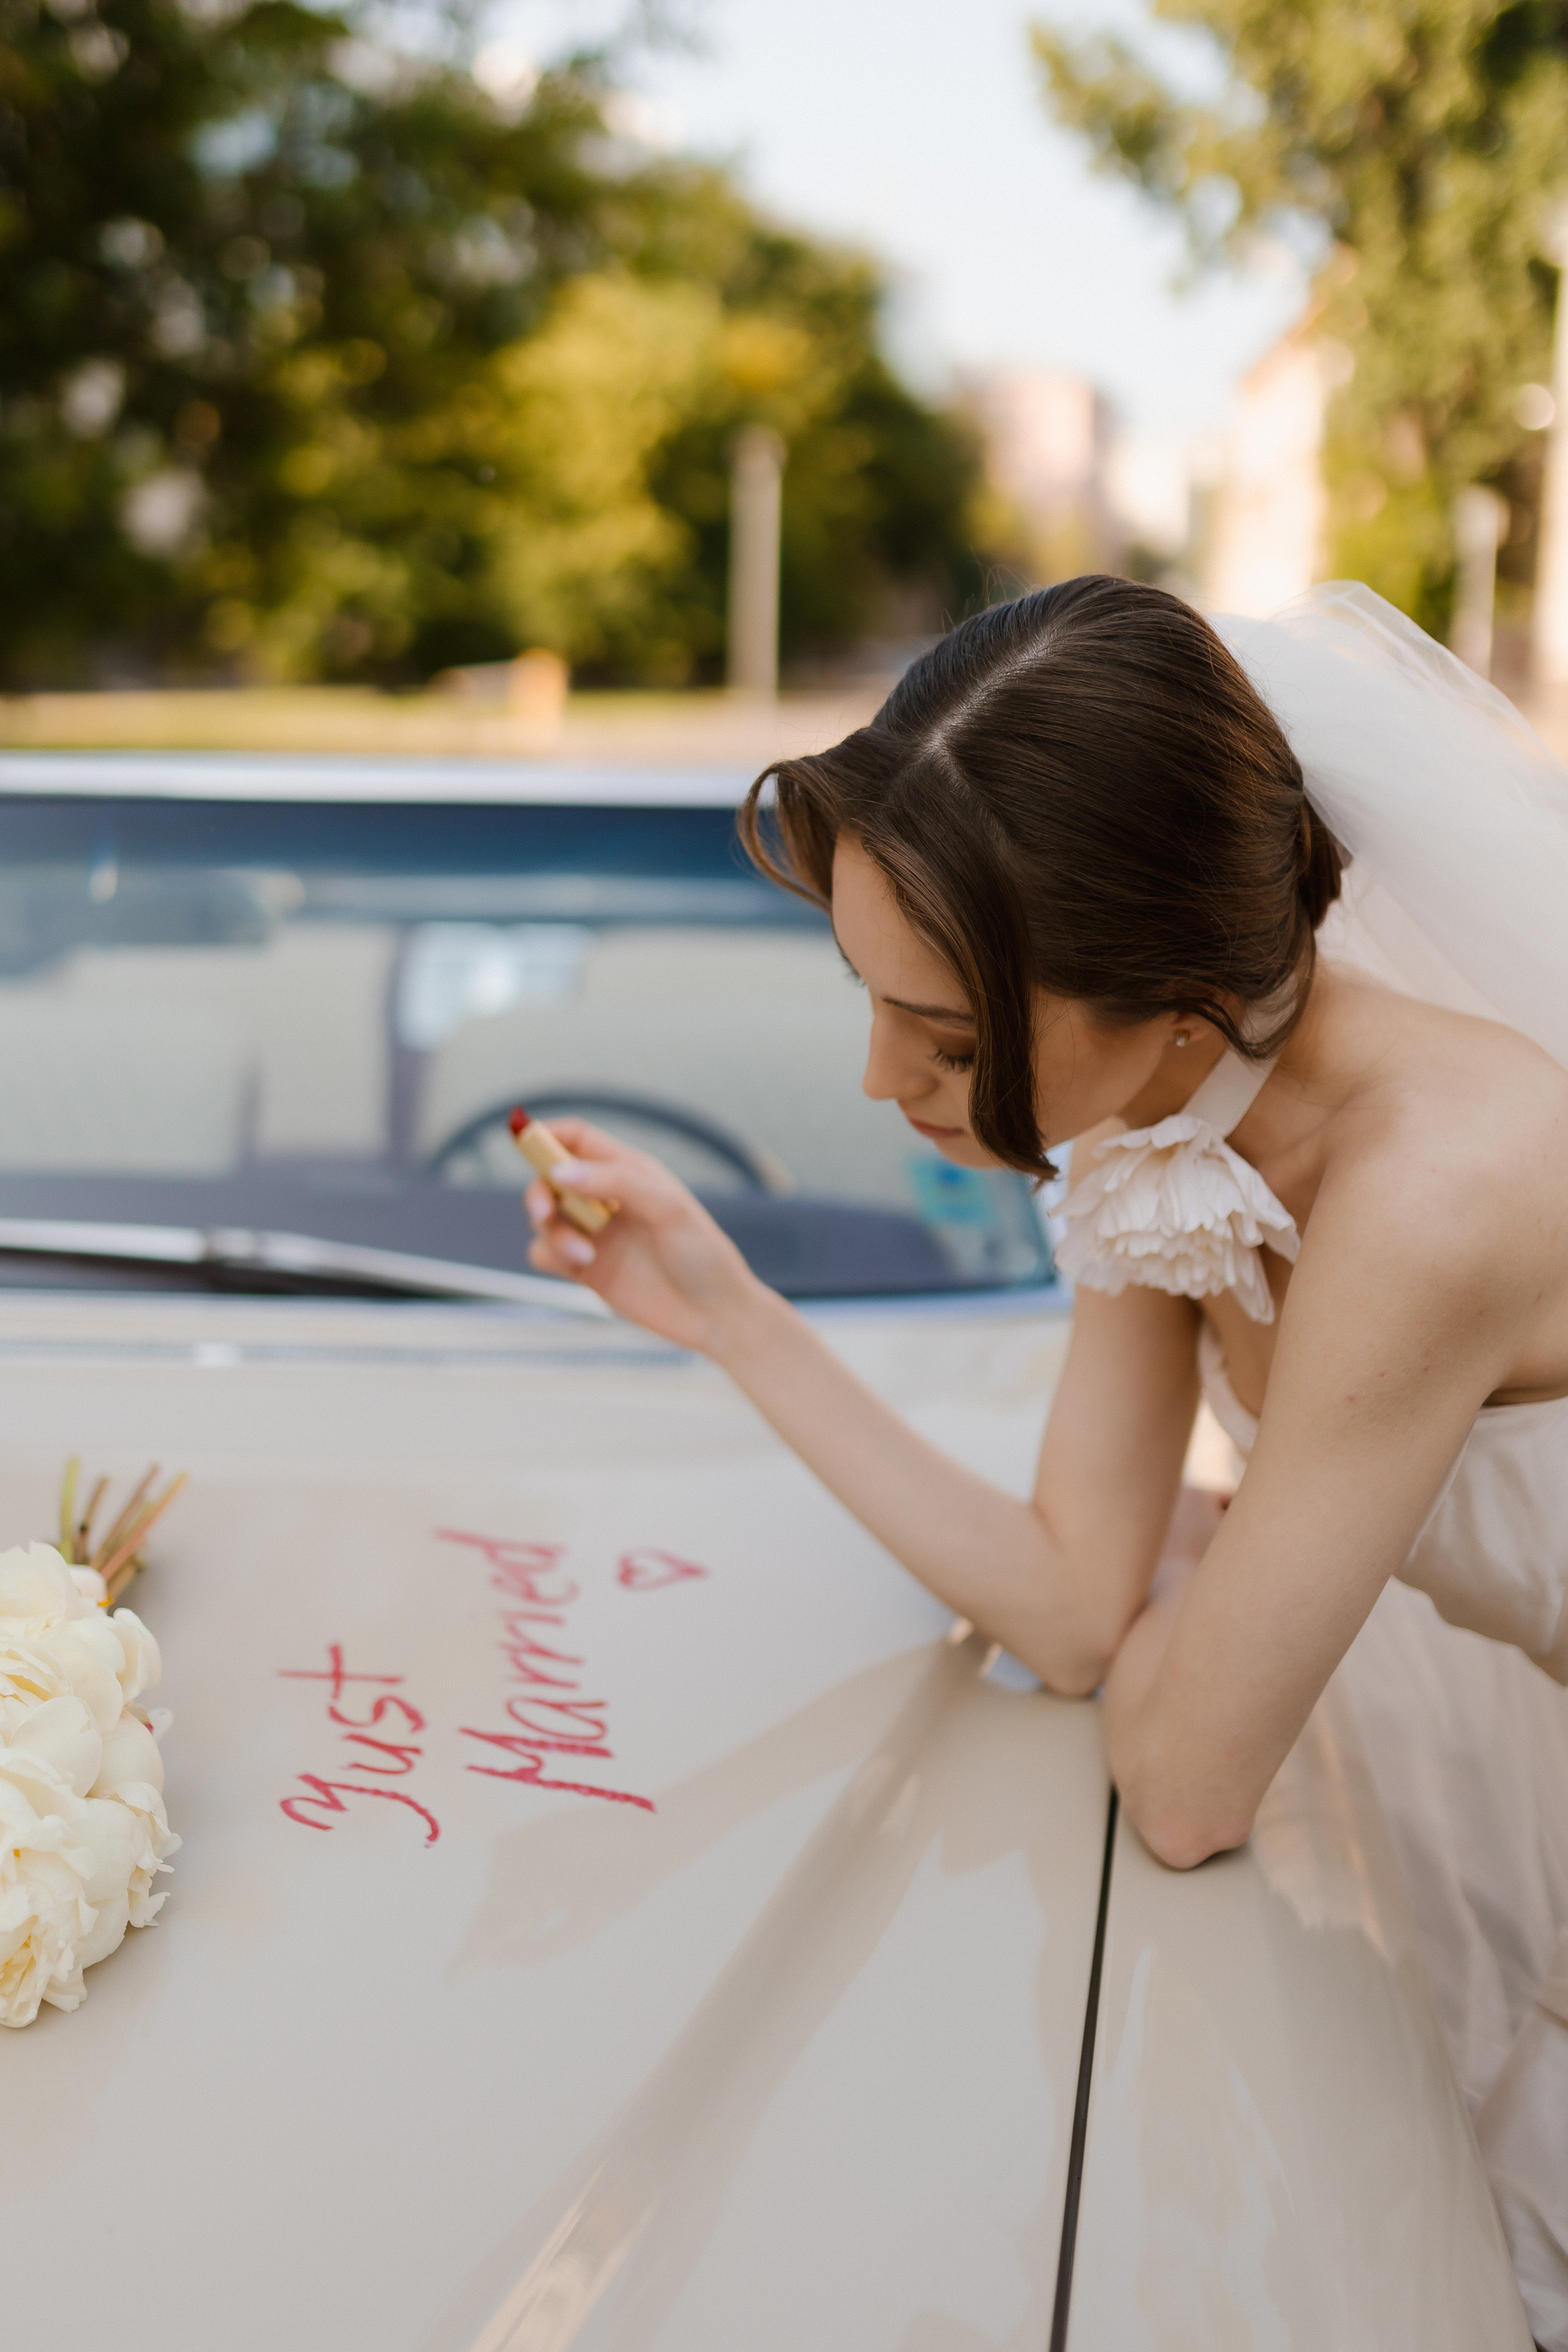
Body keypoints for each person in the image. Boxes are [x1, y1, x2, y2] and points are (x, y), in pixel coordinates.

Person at [523, 574, 1568, 2348]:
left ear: (1176, 1006)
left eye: (948, 1040)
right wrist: (733, 1313)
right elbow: (1081, 1602)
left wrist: (1215, 1574)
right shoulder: (1158, 1122)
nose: (880, 1079)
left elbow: (1182, 1785)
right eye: (869, 998)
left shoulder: (1440, 1183)